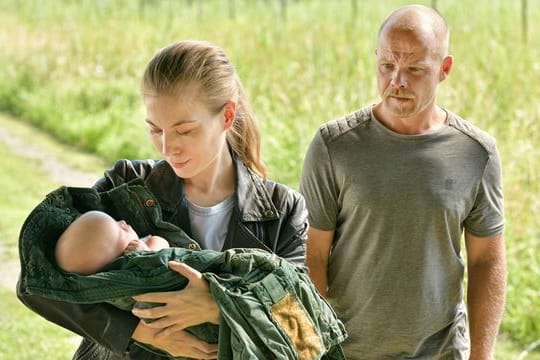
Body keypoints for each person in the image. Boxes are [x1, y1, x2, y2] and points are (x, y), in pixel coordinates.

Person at [18, 39, 308, 360]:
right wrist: (136, 332)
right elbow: (37, 282)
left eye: (184, 131)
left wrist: (219, 305)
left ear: (227, 115)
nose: (168, 148)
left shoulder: (283, 210)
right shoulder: (126, 186)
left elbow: (302, 331)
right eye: (155, 130)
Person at [300, 5, 506, 360]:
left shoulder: (477, 153)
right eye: (387, 66)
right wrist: (312, 350)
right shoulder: (334, 146)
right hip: (348, 351)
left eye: (415, 69)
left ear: (444, 70)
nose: (397, 81)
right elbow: (311, 255)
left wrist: (481, 355)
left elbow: (487, 259)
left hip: (440, 351)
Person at [55, 210, 170, 275]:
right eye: (122, 229)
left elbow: (162, 242)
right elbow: (162, 246)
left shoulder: (141, 245)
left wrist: (147, 250)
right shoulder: (126, 272)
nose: (123, 221)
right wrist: (147, 255)